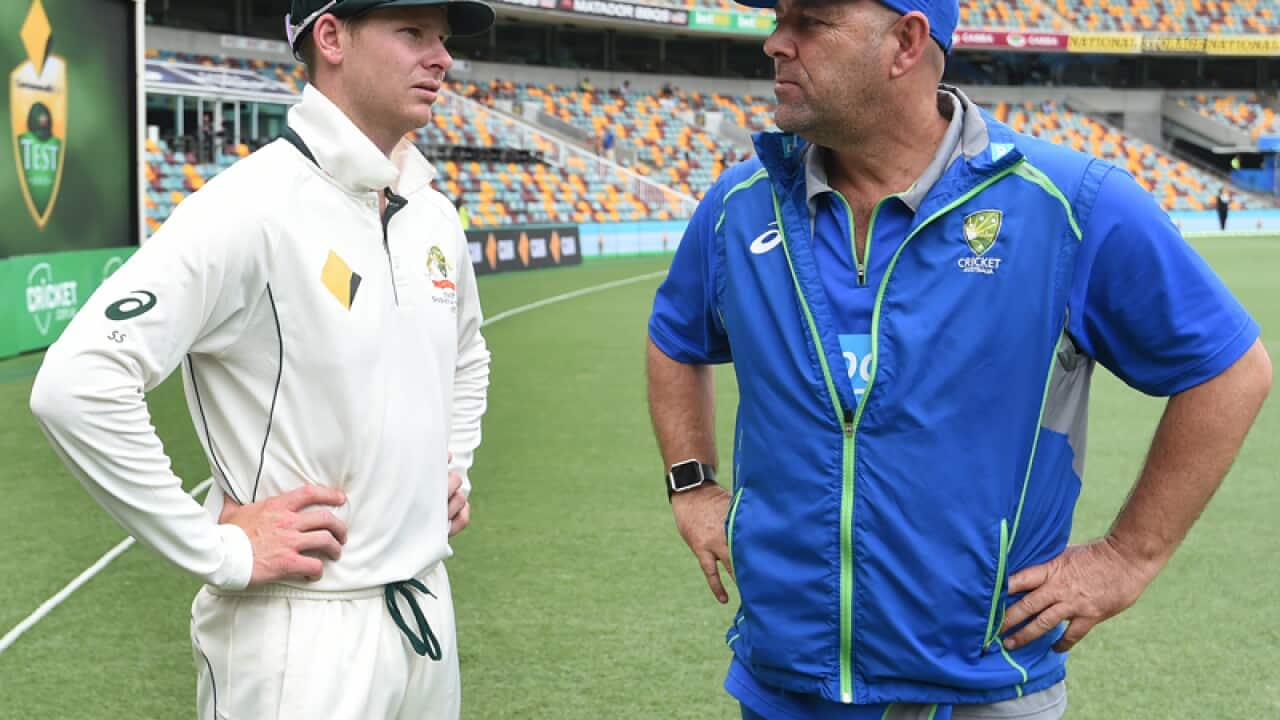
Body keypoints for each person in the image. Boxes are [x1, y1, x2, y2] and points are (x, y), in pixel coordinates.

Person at [645, 0, 1272, 718]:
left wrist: (1128, 556)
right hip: (786, 683)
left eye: (810, 22)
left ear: (906, 43)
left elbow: (1230, 369)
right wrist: (691, 484)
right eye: (779, 16)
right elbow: (674, 336)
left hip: (982, 688)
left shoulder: (1067, 202)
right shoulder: (739, 204)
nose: (775, 44)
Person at [30, 0, 495, 718]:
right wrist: (217, 549)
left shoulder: (428, 208)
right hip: (299, 637)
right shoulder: (250, 206)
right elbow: (77, 383)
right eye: (412, 33)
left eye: (442, 38)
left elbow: (468, 350)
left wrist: (451, 460)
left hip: (426, 609)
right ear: (331, 38)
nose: (441, 58)